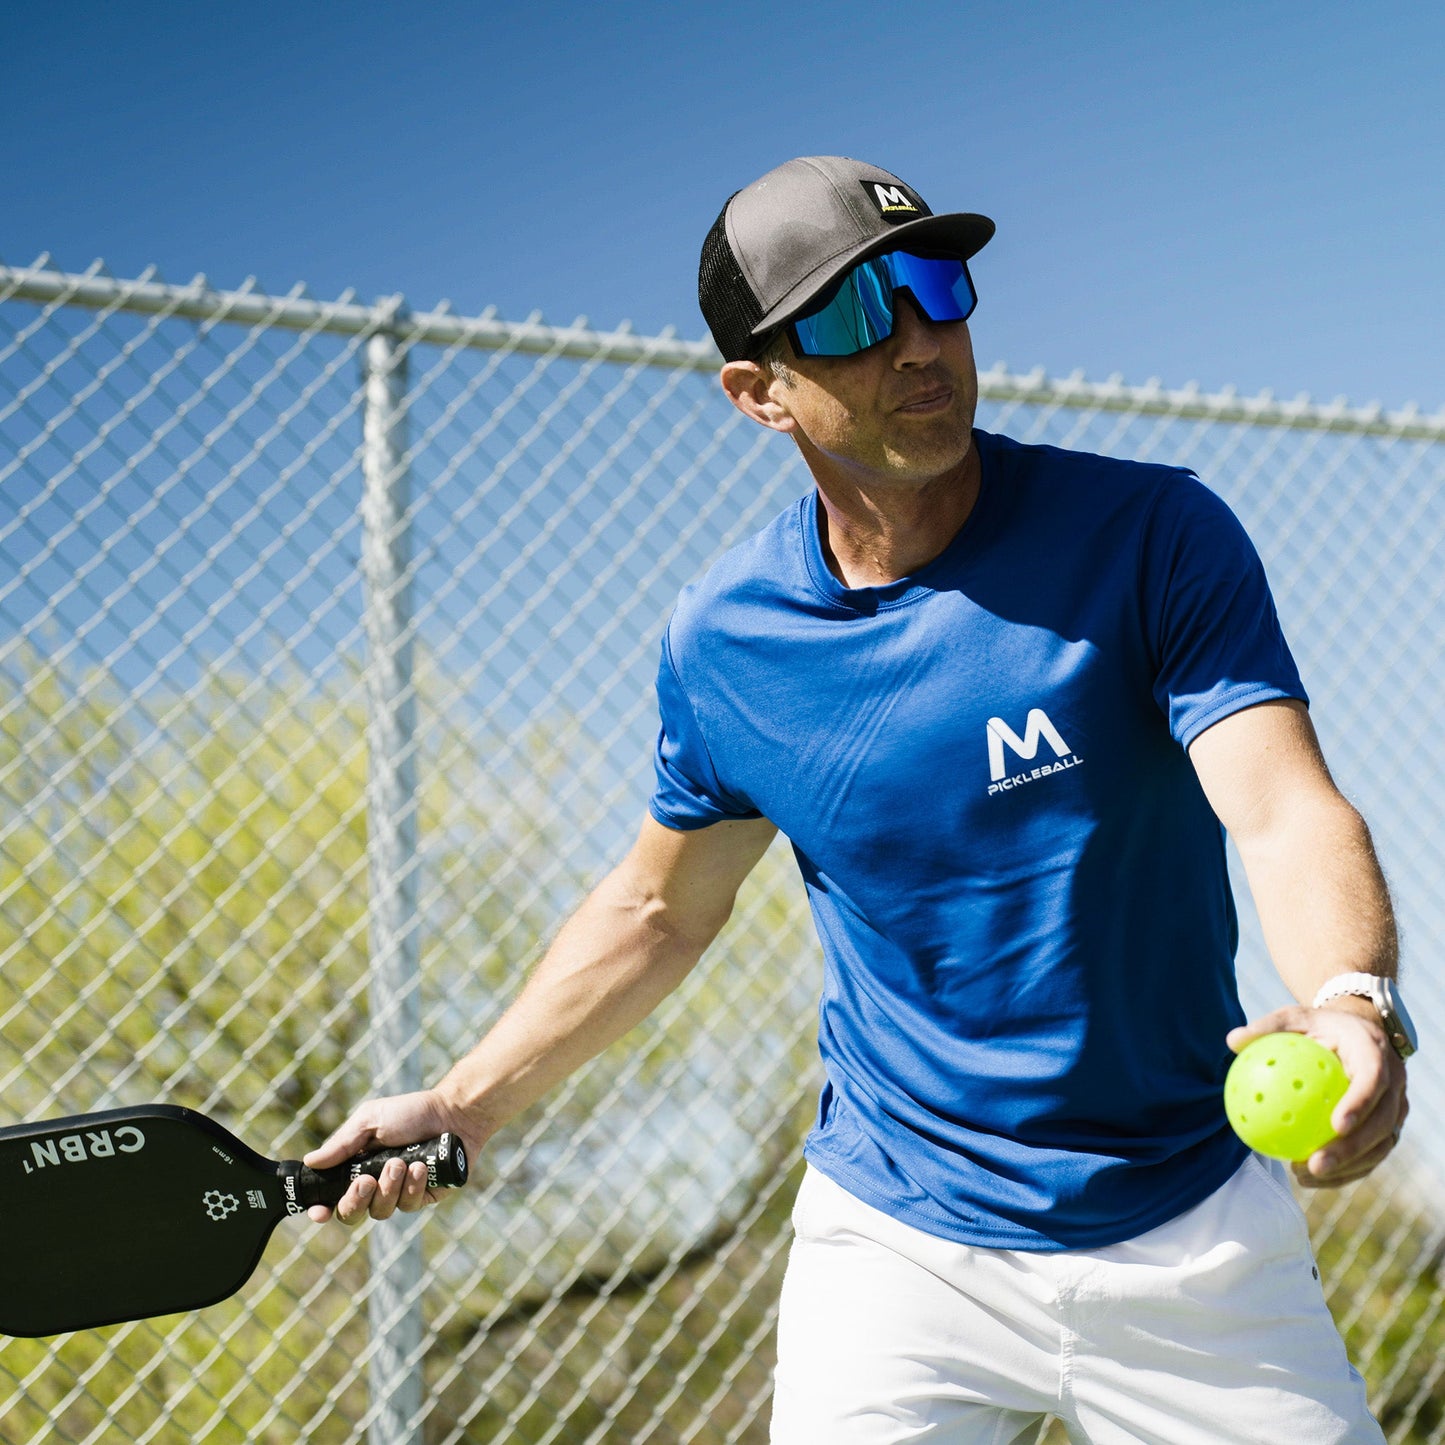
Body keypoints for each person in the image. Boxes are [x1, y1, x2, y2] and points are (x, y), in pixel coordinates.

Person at [306, 156, 1414, 1443]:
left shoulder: (1152, 532)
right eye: (845, 317)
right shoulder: (726, 643)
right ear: (757, 393)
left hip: (1189, 1229)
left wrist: (1351, 998)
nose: (915, 340)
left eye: (932, 286)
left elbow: (1282, 808)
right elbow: (659, 908)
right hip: (898, 1242)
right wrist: (463, 1102)